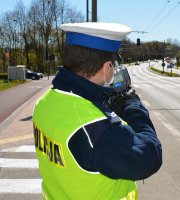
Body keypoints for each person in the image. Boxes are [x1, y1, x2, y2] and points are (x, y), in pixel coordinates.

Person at [32, 22, 162, 200]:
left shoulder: (45, 103)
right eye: (114, 65)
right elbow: (149, 158)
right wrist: (133, 106)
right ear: (107, 66)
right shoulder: (98, 129)